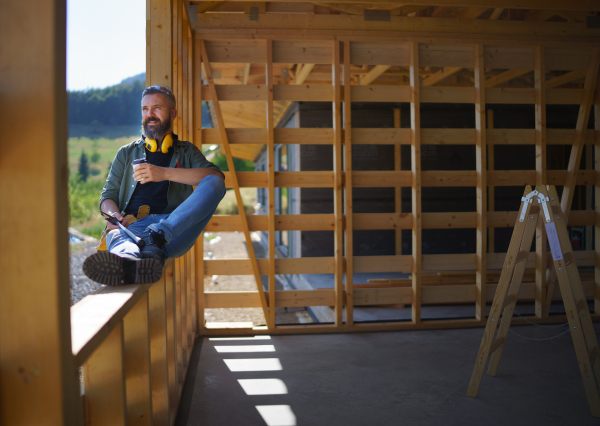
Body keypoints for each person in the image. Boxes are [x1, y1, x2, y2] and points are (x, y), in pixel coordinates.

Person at [83, 85, 225, 286]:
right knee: (117, 235)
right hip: (132, 226)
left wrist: (164, 173)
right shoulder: (125, 153)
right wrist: (113, 215)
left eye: (156, 108)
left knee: (216, 181)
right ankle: (130, 262)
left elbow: (214, 179)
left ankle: (156, 236)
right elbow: (108, 196)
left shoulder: (187, 152)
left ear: (172, 113)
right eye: (144, 109)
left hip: (173, 229)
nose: (149, 114)